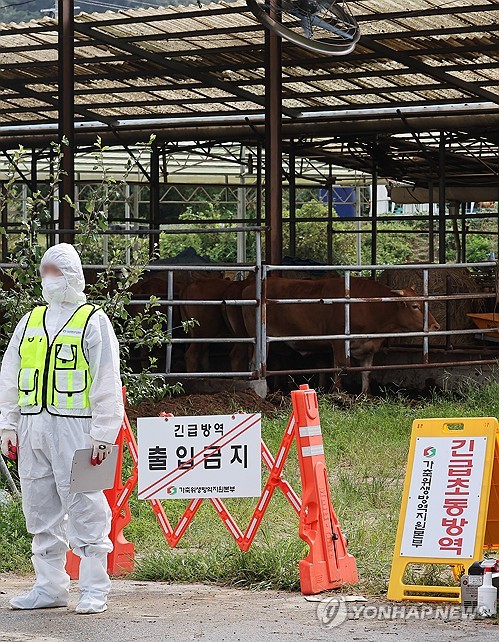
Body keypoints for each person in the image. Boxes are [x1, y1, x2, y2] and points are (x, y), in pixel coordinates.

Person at [0, 243, 124, 614]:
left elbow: (106, 379)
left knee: (86, 505)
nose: (48, 278)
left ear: (72, 274)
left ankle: (94, 588)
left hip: (79, 430)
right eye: (44, 270)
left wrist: (104, 433)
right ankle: (50, 587)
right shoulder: (31, 321)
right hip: (33, 426)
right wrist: (8, 424)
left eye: (55, 270)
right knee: (39, 507)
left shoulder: (93, 320)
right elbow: (10, 374)